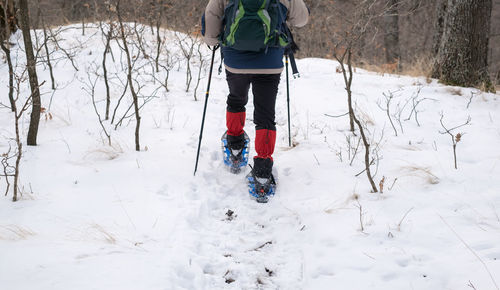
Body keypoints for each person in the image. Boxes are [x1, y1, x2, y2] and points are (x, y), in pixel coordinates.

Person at [202, 0, 309, 192]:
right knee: (266, 115)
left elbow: (211, 16)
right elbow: (301, 19)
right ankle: (262, 171)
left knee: (236, 99)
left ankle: (235, 145)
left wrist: (213, 40)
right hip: (270, 61)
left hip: (235, 60)